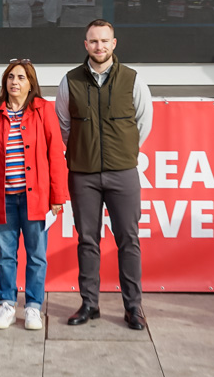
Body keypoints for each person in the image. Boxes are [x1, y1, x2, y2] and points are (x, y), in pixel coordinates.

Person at [56, 19, 153, 330]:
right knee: (87, 240)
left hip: (123, 172)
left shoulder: (133, 80)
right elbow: (64, 127)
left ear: (114, 43)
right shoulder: (70, 80)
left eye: (104, 41)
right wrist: (84, 151)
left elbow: (143, 122)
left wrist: (123, 151)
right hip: (83, 174)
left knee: (129, 239)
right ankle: (89, 304)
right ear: (86, 45)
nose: (99, 46)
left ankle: (133, 308)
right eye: (93, 41)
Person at [0, 60, 67, 330]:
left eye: (21, 78)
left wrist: (57, 195)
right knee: (5, 256)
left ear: (31, 83)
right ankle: (6, 304)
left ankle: (33, 307)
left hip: (36, 198)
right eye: (10, 77)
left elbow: (55, 155)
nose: (14, 82)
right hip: (2, 197)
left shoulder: (43, 110)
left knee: (36, 255)